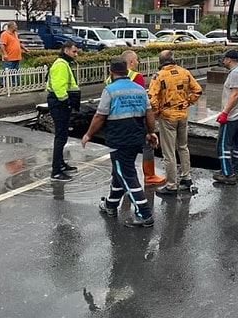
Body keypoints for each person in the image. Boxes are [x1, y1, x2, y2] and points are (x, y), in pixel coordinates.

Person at [82, 58, 159, 228]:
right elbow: (149, 113)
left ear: (111, 72)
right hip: (136, 139)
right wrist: (150, 132)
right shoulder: (139, 89)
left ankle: (144, 214)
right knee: (120, 173)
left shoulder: (110, 90)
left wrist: (88, 134)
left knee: (127, 176)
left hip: (119, 139)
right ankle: (110, 205)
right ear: (126, 71)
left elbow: (100, 116)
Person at [104, 50, 165, 185]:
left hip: (116, 121)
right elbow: (142, 100)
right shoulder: (136, 77)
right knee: (147, 145)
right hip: (136, 118)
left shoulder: (109, 79)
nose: (138, 62)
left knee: (120, 152)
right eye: (136, 60)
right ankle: (149, 176)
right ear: (131, 62)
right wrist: (149, 127)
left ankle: (118, 178)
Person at [148, 50, 202, 196]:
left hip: (167, 117)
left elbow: (152, 98)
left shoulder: (158, 77)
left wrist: (158, 112)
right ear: (173, 59)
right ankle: (186, 178)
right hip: (183, 115)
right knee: (183, 147)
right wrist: (187, 103)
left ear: (160, 61)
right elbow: (198, 90)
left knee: (169, 152)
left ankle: (171, 185)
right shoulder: (185, 72)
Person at [213, 49, 238, 185]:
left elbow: (235, 95)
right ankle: (235, 169)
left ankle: (228, 174)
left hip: (233, 116)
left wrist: (225, 113)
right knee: (237, 143)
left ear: (229, 59)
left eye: (224, 59)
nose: (223, 61)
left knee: (223, 145)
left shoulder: (235, 74)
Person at [46, 40, 80, 182]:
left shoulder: (63, 63)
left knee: (63, 135)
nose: (76, 54)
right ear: (66, 51)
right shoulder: (61, 65)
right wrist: (65, 102)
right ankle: (56, 171)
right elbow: (59, 87)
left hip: (60, 103)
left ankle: (60, 164)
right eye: (74, 51)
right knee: (60, 136)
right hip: (59, 104)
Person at [0, 21, 30, 86]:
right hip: (9, 57)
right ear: (11, 26)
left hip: (16, 56)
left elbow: (18, 42)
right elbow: (2, 45)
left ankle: (14, 84)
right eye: (15, 25)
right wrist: (5, 54)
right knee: (6, 71)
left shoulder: (15, 34)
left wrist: (24, 49)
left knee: (15, 72)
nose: (17, 27)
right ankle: (2, 84)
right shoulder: (5, 34)